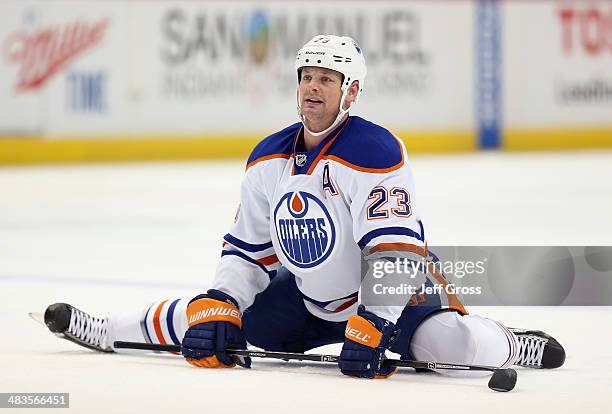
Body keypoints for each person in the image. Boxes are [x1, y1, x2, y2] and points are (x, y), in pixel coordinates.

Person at [43, 35, 564, 378]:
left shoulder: (376, 150)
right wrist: (225, 298)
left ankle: (511, 343)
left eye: (327, 79)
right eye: (306, 76)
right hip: (307, 299)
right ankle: (107, 327)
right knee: (212, 320)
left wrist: (377, 321)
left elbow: (397, 249)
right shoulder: (267, 156)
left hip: (387, 297)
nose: (312, 86)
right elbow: (247, 248)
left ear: (350, 91)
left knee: (455, 348)